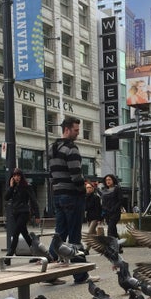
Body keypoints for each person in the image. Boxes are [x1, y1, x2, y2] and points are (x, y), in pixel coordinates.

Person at [47, 116, 99, 284]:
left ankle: (49, 273)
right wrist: (84, 190)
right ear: (67, 129)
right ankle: (81, 274)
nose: (78, 134)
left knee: (59, 235)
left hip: (58, 195)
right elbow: (76, 176)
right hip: (72, 196)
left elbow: (51, 174)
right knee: (75, 237)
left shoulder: (51, 148)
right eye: (76, 130)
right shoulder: (72, 149)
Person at [3, 168, 40, 263]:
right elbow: (6, 197)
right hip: (16, 213)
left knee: (15, 233)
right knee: (25, 235)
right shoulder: (13, 187)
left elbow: (33, 200)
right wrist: (11, 187)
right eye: (14, 176)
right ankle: (37, 253)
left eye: (18, 175)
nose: (16, 178)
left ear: (21, 176)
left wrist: (37, 215)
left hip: (24, 213)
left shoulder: (26, 186)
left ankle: (8, 257)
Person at [101, 174, 123, 239]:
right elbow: (103, 202)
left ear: (113, 180)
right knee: (113, 231)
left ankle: (110, 247)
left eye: (109, 180)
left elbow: (120, 200)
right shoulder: (104, 190)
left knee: (110, 231)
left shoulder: (117, 188)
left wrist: (114, 208)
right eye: (106, 180)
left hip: (115, 213)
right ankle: (119, 246)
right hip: (107, 213)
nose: (108, 181)